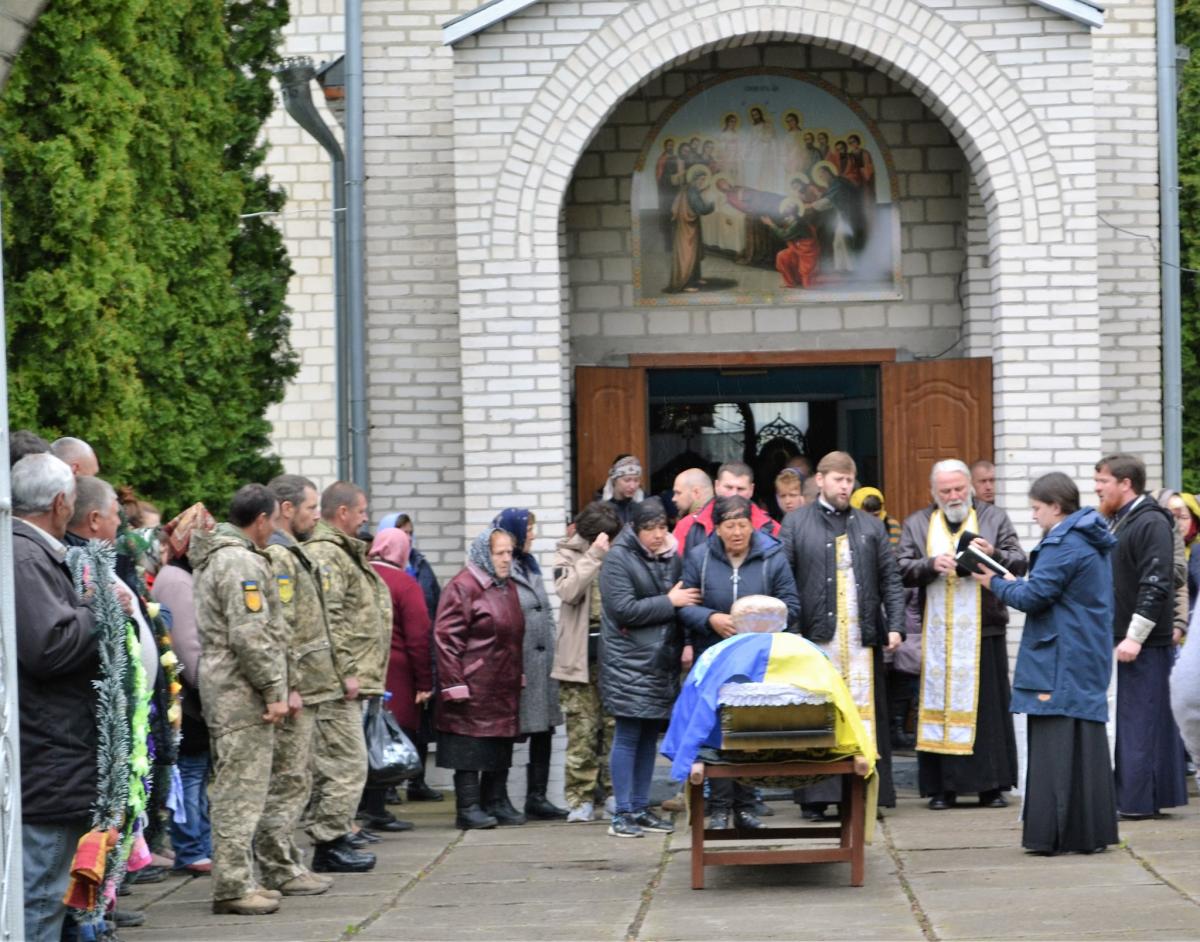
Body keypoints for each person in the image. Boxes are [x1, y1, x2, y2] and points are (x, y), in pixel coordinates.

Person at [974, 472, 1119, 855]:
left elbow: (1036, 596)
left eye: (1037, 508)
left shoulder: (1064, 543)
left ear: (1056, 506)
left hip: (1061, 656)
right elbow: (1051, 590)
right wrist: (1009, 576)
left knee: (1054, 747)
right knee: (1084, 746)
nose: (1034, 516)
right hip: (1082, 651)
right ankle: (1088, 833)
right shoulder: (1086, 537)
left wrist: (994, 583)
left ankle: (1049, 834)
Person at [779, 451, 904, 817]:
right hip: (817, 637)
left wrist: (895, 624)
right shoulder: (796, 523)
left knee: (864, 715)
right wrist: (791, 632)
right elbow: (784, 580)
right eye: (838, 480)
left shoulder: (870, 526)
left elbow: (890, 578)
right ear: (820, 480)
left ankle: (864, 794)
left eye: (849, 480)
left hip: (862, 639)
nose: (844, 487)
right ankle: (816, 798)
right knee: (817, 713)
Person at [898, 459, 1027, 811]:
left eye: (958, 489)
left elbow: (1020, 560)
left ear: (969, 486)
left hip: (984, 630)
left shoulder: (993, 517)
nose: (953, 496)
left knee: (988, 712)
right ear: (933, 493)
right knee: (938, 706)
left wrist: (993, 553)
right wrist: (929, 565)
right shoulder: (918, 522)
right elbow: (900, 567)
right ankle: (943, 789)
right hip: (938, 633)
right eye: (945, 491)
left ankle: (992, 786)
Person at [190, 484, 289, 916]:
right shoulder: (240, 561)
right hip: (239, 691)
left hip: (229, 686)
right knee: (238, 792)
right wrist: (273, 689)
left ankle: (241, 878)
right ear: (262, 519)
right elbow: (250, 635)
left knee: (241, 788)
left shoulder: (225, 556)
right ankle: (231, 886)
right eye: (274, 521)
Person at [13, 454, 98, 941]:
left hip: (56, 756)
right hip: (49, 757)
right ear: (61, 502)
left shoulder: (34, 551)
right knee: (41, 899)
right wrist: (98, 608)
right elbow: (49, 646)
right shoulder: (26, 555)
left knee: (51, 895)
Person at [255, 474, 355, 892]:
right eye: (312, 508)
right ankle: (279, 867)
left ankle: (286, 862)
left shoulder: (291, 550)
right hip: (298, 687)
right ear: (286, 508)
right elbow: (283, 626)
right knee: (289, 779)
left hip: (312, 684)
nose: (318, 516)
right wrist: (289, 685)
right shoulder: (279, 554)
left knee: (299, 779)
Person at [680, 495, 801, 828]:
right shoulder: (699, 558)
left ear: (753, 525)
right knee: (716, 731)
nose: (737, 533)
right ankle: (718, 807)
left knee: (750, 731)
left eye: (743, 525)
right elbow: (684, 604)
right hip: (714, 656)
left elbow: (791, 604)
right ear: (717, 528)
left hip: (759, 658)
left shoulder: (772, 557)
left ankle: (747, 805)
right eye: (729, 526)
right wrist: (711, 619)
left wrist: (762, 621)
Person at [1094, 454, 1189, 817]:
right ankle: (1137, 799)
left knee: (1142, 723)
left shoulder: (1150, 520)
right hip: (1127, 639)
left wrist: (1135, 636)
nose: (1098, 488)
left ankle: (1138, 803)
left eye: (1103, 481)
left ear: (1125, 484)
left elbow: (1156, 582)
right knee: (1135, 722)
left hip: (1146, 642)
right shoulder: (1121, 519)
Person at [599, 498, 700, 838]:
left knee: (646, 738)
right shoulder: (617, 559)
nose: (658, 535)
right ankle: (622, 812)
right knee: (627, 735)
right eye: (650, 529)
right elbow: (624, 609)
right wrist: (668, 602)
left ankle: (641, 807)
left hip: (659, 661)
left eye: (663, 527)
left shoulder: (671, 557)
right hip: (628, 661)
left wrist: (684, 640)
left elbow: (686, 601)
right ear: (636, 530)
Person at [304, 482, 395, 846]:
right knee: (344, 764)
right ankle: (331, 839)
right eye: (361, 512)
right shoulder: (327, 553)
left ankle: (341, 830)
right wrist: (346, 671)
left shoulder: (343, 551)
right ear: (342, 513)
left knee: (347, 763)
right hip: (338, 680)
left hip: (350, 678)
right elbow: (331, 616)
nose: (365, 518)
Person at [434, 528, 526, 830]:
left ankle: (495, 800)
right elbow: (446, 638)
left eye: (509, 553)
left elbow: (512, 634)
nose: (505, 559)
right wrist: (454, 682)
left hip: (502, 680)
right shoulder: (463, 586)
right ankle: (469, 806)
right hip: (474, 682)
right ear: (483, 554)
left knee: (499, 742)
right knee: (469, 746)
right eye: (499, 553)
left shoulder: (506, 586)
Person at [151, 502, 217, 876]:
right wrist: (210, 693)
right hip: (189, 701)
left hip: (188, 697)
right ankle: (192, 848)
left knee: (194, 773)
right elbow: (189, 647)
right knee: (191, 775)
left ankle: (197, 844)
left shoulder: (176, 576)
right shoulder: (179, 580)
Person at [493, 508, 569, 822]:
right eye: (529, 530)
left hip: (543, 663)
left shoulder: (530, 564)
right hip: (519, 662)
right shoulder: (502, 566)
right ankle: (499, 799)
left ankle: (537, 797)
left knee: (544, 730)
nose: (534, 535)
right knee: (509, 731)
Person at [552, 501, 623, 822]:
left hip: (613, 656)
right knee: (582, 730)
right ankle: (579, 798)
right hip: (577, 658)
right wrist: (593, 556)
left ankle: (612, 793)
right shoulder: (568, 552)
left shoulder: (619, 550)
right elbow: (567, 591)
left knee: (613, 728)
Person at [368, 525, 435, 819]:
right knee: (389, 739)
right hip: (398, 674)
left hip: (362, 671)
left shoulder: (361, 576)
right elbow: (419, 637)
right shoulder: (405, 584)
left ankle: (364, 806)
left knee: (365, 737)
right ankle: (378, 808)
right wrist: (424, 683)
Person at [675, 461, 779, 558]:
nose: (734, 494)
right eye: (728, 487)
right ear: (716, 486)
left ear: (751, 490)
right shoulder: (687, 526)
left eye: (740, 489)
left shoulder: (772, 528)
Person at [602, 455, 645, 526]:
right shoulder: (601, 509)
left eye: (636, 480)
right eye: (627, 480)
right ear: (614, 481)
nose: (632, 486)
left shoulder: (645, 506)